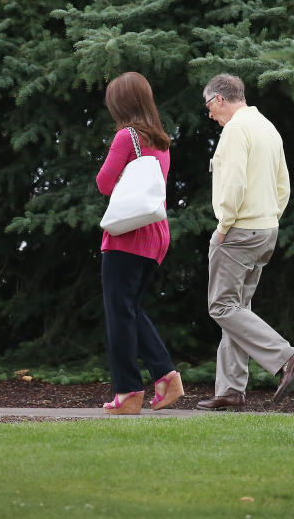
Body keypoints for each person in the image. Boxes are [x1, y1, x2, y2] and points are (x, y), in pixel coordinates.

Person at [196, 73, 294, 411]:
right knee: (237, 310)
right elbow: (283, 186)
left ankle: (286, 356)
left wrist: (223, 225)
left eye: (208, 106)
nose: (210, 114)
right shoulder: (267, 127)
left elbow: (233, 184)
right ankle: (230, 390)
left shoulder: (235, 130)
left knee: (220, 306)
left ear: (218, 99)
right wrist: (270, 220)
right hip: (265, 230)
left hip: (238, 230)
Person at [95, 72, 184, 415]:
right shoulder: (161, 140)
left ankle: (129, 391)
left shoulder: (126, 136)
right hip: (156, 233)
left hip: (128, 235)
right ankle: (165, 375)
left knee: (119, 312)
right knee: (130, 308)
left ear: (120, 103)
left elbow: (104, 183)